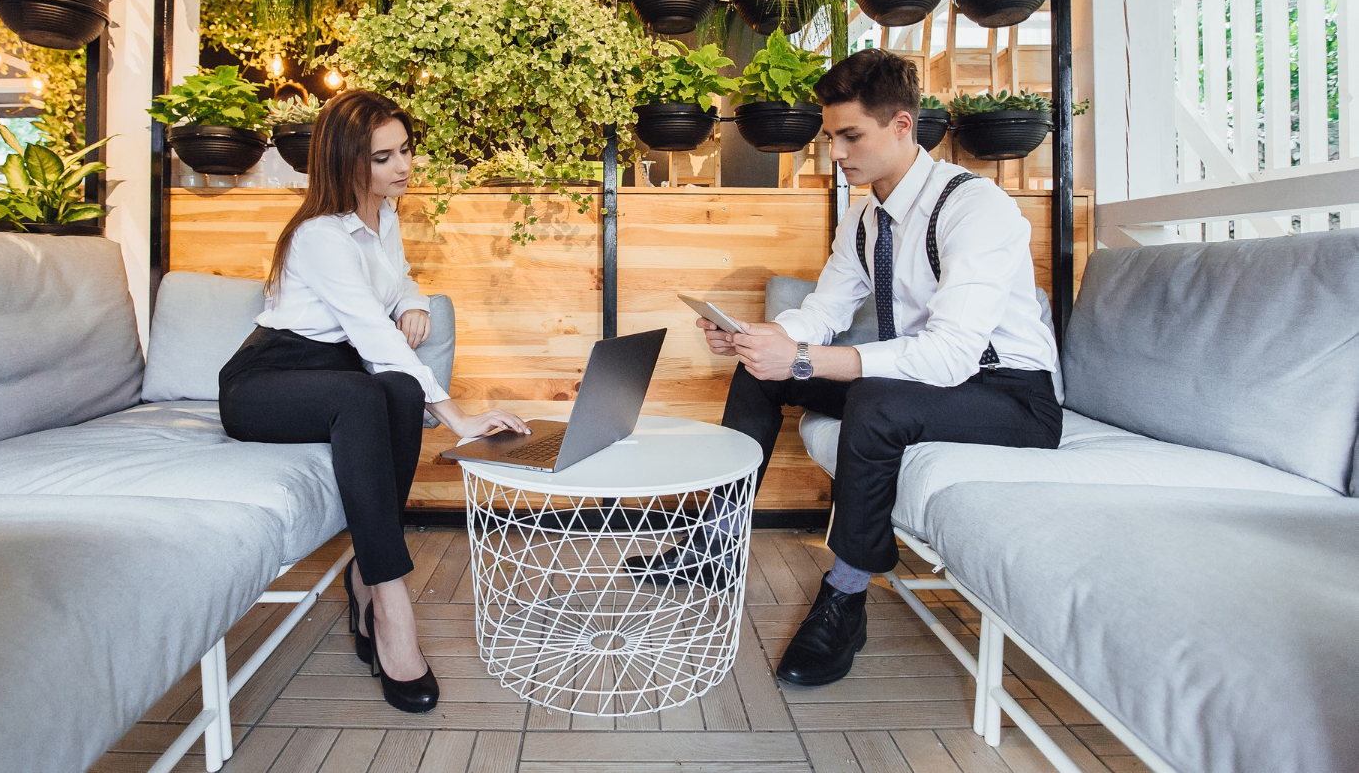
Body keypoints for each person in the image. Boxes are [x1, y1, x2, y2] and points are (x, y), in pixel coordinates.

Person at [628, 48, 1062, 687]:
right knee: (763, 373)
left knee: (874, 400)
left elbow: (948, 355)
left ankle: (846, 597)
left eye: (851, 135)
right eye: (832, 137)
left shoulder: (977, 208)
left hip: (1008, 395)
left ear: (903, 126)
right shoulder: (863, 218)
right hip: (920, 383)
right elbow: (824, 311)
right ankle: (715, 543)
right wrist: (761, 341)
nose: (837, 153)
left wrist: (803, 358)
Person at [218, 90, 530, 714]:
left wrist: (413, 298)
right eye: (383, 157)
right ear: (345, 161)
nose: (402, 167)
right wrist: (459, 418)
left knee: (396, 385)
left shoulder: (383, 216)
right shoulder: (318, 235)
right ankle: (389, 602)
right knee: (373, 385)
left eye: (405, 151)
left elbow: (393, 279)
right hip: (264, 380)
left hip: (331, 376)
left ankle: (364, 571)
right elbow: (369, 330)